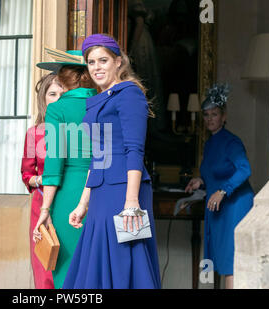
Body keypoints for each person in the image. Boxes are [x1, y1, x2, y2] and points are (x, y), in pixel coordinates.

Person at [62, 34, 161, 289]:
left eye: (103, 60)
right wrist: (83, 203)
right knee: (96, 264)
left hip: (124, 190)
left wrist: (131, 202)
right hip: (101, 191)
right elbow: (98, 156)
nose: (97, 67)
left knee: (124, 261)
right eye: (91, 62)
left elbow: (135, 149)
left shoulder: (129, 94)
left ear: (118, 62)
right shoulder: (98, 99)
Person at [32, 49, 97, 289]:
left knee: (68, 272)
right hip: (101, 191)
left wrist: (45, 208)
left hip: (68, 194)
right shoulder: (103, 103)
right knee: (97, 269)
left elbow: (54, 162)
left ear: (63, 79)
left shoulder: (58, 109)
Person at [185, 84, 254, 289]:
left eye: (214, 114)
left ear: (223, 116)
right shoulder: (211, 143)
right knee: (219, 259)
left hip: (235, 207)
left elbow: (244, 169)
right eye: (206, 115)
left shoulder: (232, 142)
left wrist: (223, 190)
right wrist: (201, 181)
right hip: (219, 208)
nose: (209, 119)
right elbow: (217, 171)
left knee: (229, 261)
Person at [21, 73, 64, 289]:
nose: (58, 98)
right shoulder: (34, 134)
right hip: (41, 206)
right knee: (45, 269)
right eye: (52, 94)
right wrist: (43, 179)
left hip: (70, 203)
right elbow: (26, 175)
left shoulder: (78, 132)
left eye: (63, 94)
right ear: (44, 99)